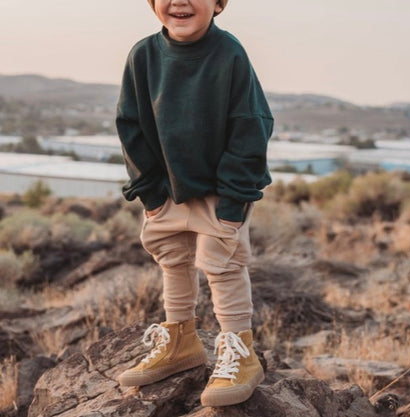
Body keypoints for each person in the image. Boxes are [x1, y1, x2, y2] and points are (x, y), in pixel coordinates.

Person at [116, 0, 274, 407]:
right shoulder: (143, 55)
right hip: (165, 187)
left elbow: (251, 125)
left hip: (221, 190)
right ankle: (181, 341)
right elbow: (130, 124)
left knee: (223, 265)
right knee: (173, 259)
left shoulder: (229, 54)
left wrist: (233, 201)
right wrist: (150, 194)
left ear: (219, 3)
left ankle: (241, 352)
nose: (180, 1)